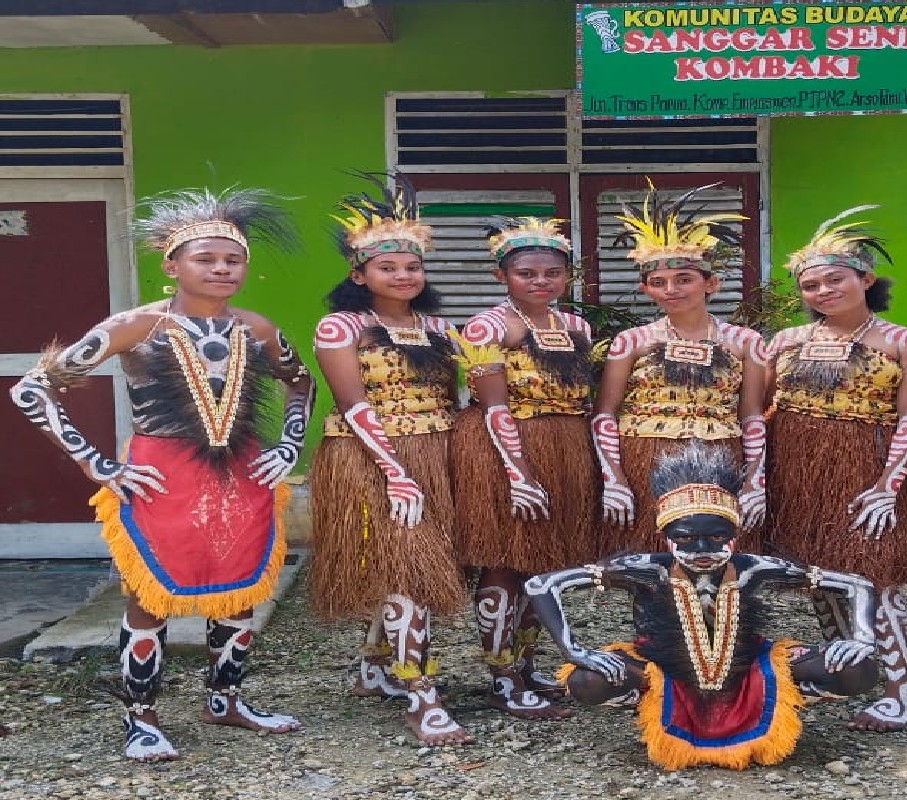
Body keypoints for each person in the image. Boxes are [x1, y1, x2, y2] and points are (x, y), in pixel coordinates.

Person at [9, 188, 312, 761]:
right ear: (172, 265)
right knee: (149, 594)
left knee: (240, 588)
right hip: (160, 475)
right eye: (206, 258)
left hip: (241, 476)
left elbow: (301, 383)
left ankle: (224, 700)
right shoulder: (134, 325)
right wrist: (97, 463)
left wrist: (290, 442)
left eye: (233, 259)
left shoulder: (257, 327)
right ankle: (141, 718)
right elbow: (32, 387)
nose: (222, 269)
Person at [524, 441, 880, 770]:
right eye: (684, 539)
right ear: (666, 537)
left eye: (717, 538)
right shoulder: (648, 569)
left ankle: (769, 712)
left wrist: (862, 639)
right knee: (587, 681)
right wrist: (574, 651)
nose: (701, 550)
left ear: (733, 536)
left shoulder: (752, 568)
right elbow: (542, 583)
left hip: (749, 667)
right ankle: (648, 707)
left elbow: (856, 583)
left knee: (858, 670)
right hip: (661, 668)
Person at [308, 172, 472, 746]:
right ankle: (420, 695)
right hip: (369, 456)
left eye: (412, 267)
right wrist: (397, 474)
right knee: (411, 571)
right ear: (360, 274)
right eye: (388, 268)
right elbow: (352, 406)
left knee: (411, 563)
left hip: (440, 451)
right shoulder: (342, 326)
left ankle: (373, 665)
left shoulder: (441, 329)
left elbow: (461, 397)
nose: (403, 276)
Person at [761, 207, 907, 732]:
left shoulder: (901, 342)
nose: (823, 291)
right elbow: (759, 413)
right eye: (811, 285)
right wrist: (756, 479)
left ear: (866, 279)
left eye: (835, 279)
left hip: (865, 471)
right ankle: (844, 668)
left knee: (875, 579)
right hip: (794, 468)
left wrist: (888, 485)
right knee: (820, 574)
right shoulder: (785, 342)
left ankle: (901, 689)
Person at [450, 216, 596, 720]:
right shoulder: (489, 326)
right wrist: (518, 472)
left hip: (566, 446)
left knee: (545, 559)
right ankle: (502, 676)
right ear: (502, 277)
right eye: (526, 273)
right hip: (503, 448)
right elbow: (492, 407)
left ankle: (528, 663)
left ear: (567, 277)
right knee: (505, 559)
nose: (540, 282)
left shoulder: (577, 326)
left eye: (552, 273)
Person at [593, 182, 769, 555]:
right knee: (652, 558)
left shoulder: (745, 341)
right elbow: (606, 414)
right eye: (658, 283)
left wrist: (755, 481)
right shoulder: (631, 341)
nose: (671, 289)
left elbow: (752, 416)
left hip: (721, 455)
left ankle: (718, 615)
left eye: (684, 279)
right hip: (646, 457)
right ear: (646, 289)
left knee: (716, 555)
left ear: (711, 283)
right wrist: (614, 479)